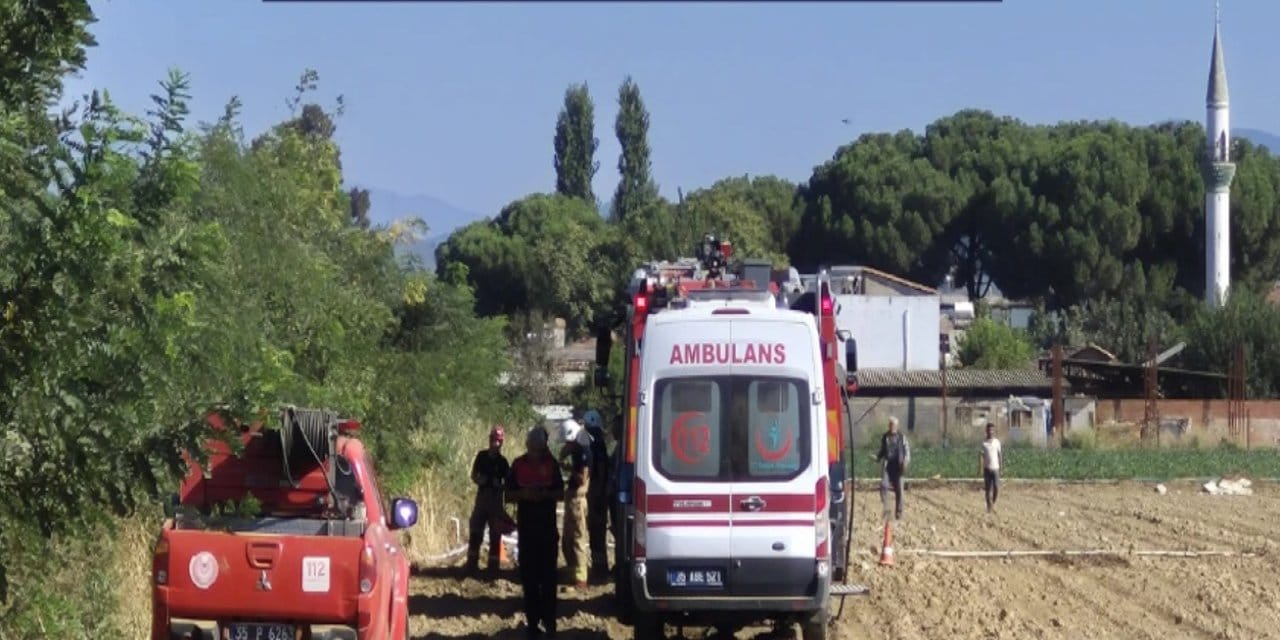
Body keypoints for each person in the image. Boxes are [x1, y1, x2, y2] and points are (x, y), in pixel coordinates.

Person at [507, 426, 565, 638]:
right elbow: (509, 495)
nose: (535, 453)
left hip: (547, 532)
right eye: (532, 449)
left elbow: (561, 493)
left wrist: (544, 495)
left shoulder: (552, 465)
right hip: (527, 532)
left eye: (538, 449)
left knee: (549, 580)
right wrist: (524, 494)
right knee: (529, 580)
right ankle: (532, 624)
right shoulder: (518, 465)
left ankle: (550, 623)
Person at [465, 425, 510, 575]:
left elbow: (509, 483)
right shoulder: (481, 456)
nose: (495, 443)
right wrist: (479, 480)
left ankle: (493, 567)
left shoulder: (503, 462)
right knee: (476, 529)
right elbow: (473, 475)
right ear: (489, 440)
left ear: (501, 442)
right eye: (493, 440)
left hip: (496, 500)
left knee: (495, 533)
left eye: (498, 441)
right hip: (482, 497)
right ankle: (471, 564)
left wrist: (501, 486)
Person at [557, 418, 592, 590]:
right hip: (572, 498)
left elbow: (582, 478)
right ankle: (572, 573)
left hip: (578, 500)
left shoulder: (583, 452)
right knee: (568, 539)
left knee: (578, 538)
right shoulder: (578, 449)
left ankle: (580, 579)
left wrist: (568, 467)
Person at [581, 409, 611, 582]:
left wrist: (596, 495)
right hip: (599, 493)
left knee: (597, 532)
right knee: (597, 532)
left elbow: (599, 471)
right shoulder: (599, 442)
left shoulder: (595, 444)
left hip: (597, 494)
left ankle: (600, 571)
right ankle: (600, 568)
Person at [875, 416, 910, 520]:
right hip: (888, 465)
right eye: (890, 424)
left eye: (893, 425)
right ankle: (887, 508)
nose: (892, 427)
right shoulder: (885, 437)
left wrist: (906, 461)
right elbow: (882, 450)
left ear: (897, 426)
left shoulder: (902, 437)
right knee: (883, 486)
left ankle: (898, 512)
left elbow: (907, 451)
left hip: (898, 466)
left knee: (899, 489)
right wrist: (877, 457)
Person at [980, 422, 1003, 513]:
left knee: (996, 487)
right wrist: (980, 468)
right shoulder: (984, 443)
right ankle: (989, 507)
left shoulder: (997, 442)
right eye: (989, 430)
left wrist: (1001, 467)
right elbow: (981, 456)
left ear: (994, 431)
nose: (990, 431)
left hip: (996, 468)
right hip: (987, 468)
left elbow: (999, 455)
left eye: (992, 430)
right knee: (988, 488)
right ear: (986, 431)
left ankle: (992, 503)